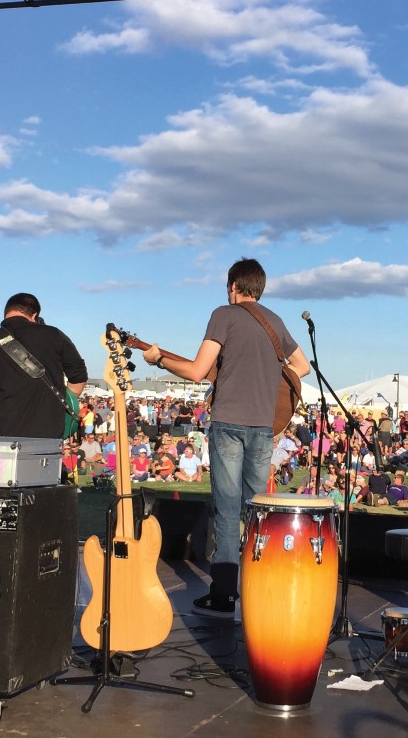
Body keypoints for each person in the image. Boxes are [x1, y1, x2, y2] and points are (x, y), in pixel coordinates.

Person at [141, 258, 309, 617]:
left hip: (230, 423)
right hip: (264, 428)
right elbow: (303, 367)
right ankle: (259, 590)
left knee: (228, 511)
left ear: (234, 287)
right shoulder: (275, 321)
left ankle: (223, 596)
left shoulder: (224, 314)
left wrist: (158, 360)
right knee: (258, 512)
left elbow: (199, 371)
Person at [0, 293, 87, 438]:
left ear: (6, 313)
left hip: (0, 438)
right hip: (46, 437)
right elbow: (78, 375)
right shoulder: (53, 335)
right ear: (34, 315)